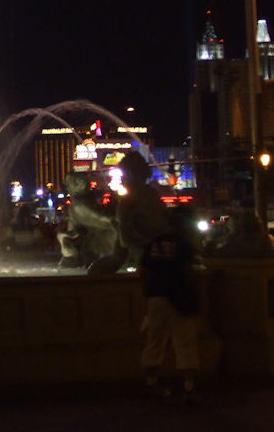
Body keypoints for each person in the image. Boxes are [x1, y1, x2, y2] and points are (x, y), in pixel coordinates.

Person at [139, 205, 201, 403]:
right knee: (184, 343)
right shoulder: (183, 244)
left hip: (156, 297)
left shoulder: (154, 243)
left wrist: (148, 293)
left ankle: (151, 384)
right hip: (178, 297)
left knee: (154, 341)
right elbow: (187, 271)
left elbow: (144, 270)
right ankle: (189, 389)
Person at [116, 151, 169, 267]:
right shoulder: (152, 195)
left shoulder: (128, 201)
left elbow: (125, 239)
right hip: (158, 246)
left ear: (130, 175)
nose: (121, 179)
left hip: (142, 251)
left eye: (123, 175)